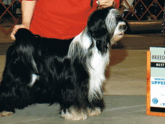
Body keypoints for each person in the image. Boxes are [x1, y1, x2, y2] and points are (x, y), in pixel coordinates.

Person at [10, 0, 120, 41]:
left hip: (81, 39)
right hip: (42, 36)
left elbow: (114, 2)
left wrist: (111, 2)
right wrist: (25, 24)